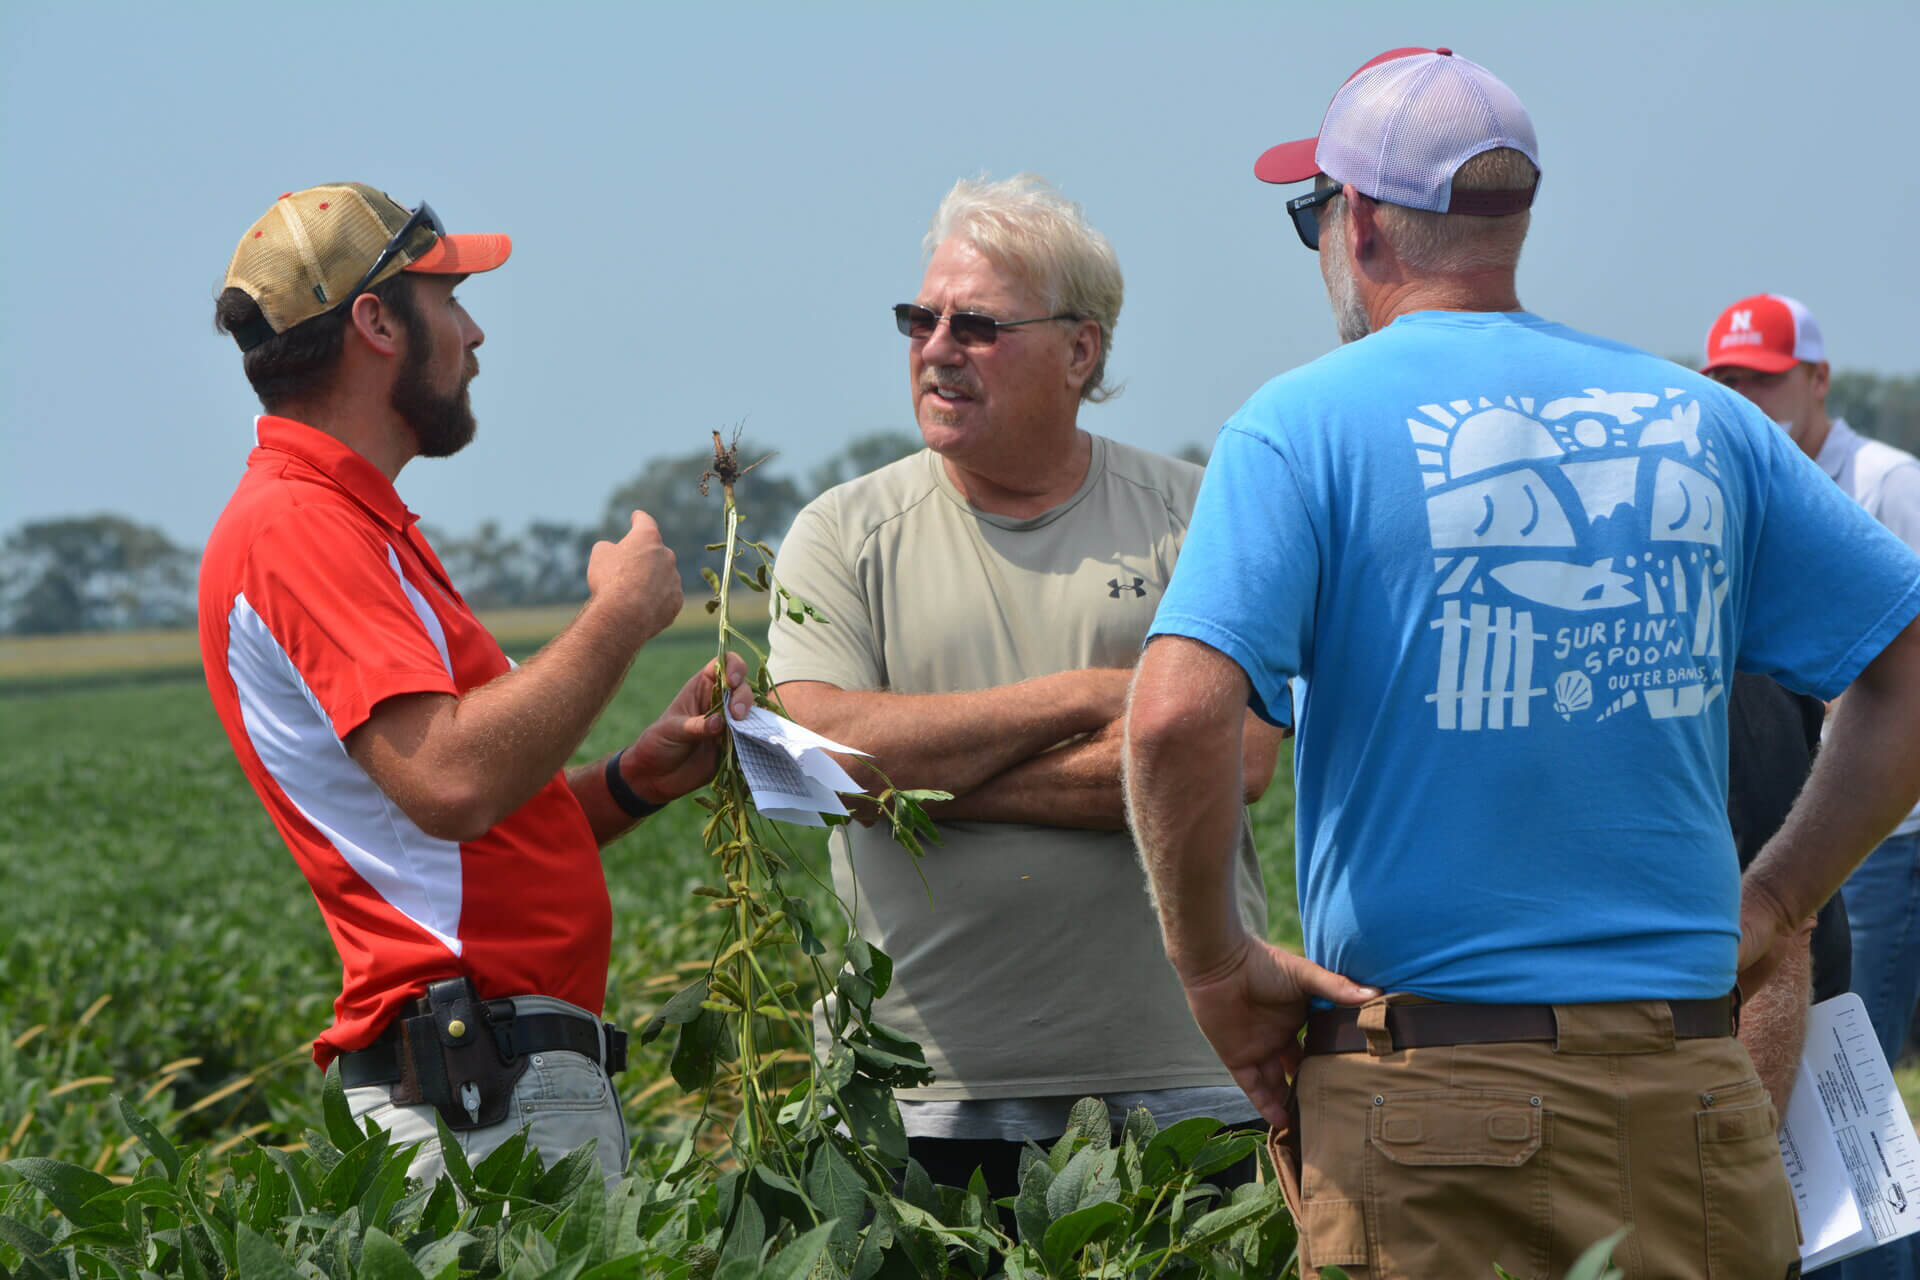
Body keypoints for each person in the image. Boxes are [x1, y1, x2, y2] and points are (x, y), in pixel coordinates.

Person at [1122, 48, 1920, 1279]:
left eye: (1313, 214)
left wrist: (1218, 966)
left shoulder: (1301, 426)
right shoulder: (1702, 420)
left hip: (1429, 1105)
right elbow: (1908, 665)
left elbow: (1174, 718)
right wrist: (1782, 896)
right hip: (1689, 1096)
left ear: (1366, 225)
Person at [198, 183, 752, 1186]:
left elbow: (462, 849)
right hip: (479, 1099)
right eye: (450, 299)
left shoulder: (351, 521)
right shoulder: (298, 525)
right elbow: (452, 780)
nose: (476, 331)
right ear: (375, 319)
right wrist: (621, 614)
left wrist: (633, 777)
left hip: (488, 1081)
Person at [765, 174, 1283, 1200]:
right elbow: (824, 756)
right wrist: (1093, 696)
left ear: (1081, 351)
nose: (938, 345)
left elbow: (1237, 759)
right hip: (917, 1095)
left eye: (980, 324)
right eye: (922, 317)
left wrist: (914, 788)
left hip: (1190, 1079)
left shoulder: (1196, 509)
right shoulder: (840, 530)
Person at [1704, 292, 1920, 1280]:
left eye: (1765, 376)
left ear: (1817, 379)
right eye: (1731, 381)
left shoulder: (1882, 483)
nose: (1748, 396)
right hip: (1807, 849)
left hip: (1872, 825)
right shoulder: (1737, 509)